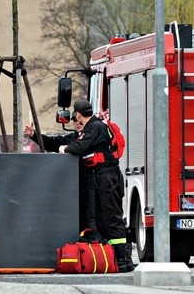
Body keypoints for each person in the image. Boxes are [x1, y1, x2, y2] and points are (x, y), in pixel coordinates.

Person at [25, 99, 134, 272]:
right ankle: (113, 259)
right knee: (101, 219)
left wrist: (65, 149)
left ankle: (123, 261)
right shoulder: (85, 131)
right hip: (99, 178)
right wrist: (34, 136)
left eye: (76, 118)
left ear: (78, 114)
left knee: (112, 217)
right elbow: (56, 141)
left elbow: (79, 147)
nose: (75, 122)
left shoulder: (96, 127)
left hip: (107, 176)